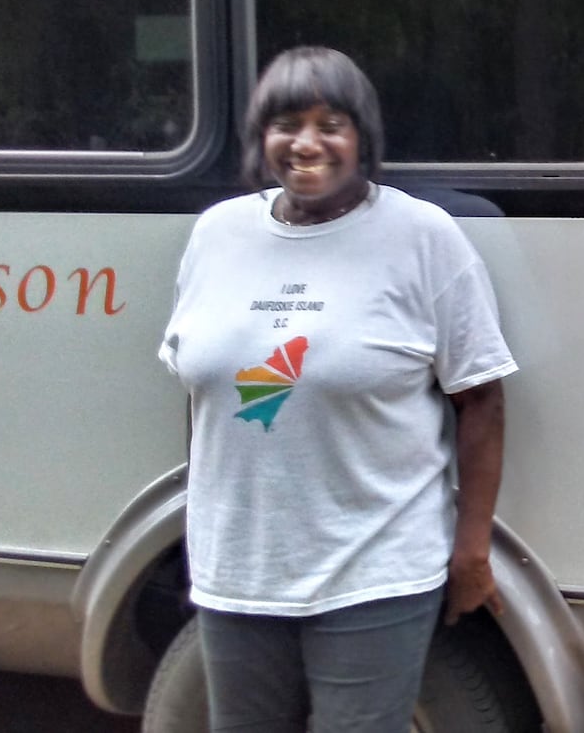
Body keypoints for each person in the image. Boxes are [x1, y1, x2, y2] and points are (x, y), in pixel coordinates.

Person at [158, 46, 516, 732]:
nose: (307, 143)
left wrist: (471, 550)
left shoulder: (421, 237)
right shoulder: (217, 235)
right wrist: (203, 532)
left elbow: (482, 401)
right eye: (286, 122)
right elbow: (203, 399)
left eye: (332, 123)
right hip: (238, 577)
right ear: (261, 137)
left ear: (364, 139)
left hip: (373, 574)